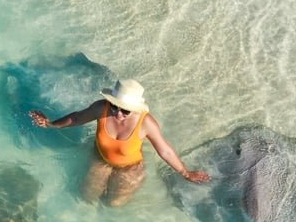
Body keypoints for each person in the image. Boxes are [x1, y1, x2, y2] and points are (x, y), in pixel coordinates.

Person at [29, 78, 210, 206]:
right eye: (115, 106)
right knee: (86, 197)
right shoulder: (101, 108)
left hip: (130, 167)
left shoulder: (146, 123)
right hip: (100, 159)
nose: (118, 114)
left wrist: (185, 173)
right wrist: (50, 124)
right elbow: (77, 118)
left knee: (113, 204)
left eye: (125, 110)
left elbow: (165, 151)